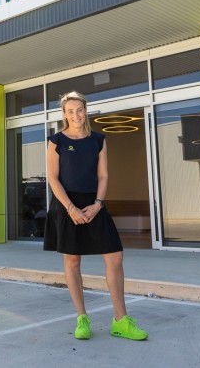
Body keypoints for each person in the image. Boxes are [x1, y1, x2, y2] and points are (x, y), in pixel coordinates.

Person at [44, 91, 148, 341]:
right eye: (70, 111)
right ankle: (82, 318)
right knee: (72, 261)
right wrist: (70, 208)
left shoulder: (98, 140)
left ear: (86, 111)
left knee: (115, 256)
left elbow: (103, 176)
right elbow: (53, 178)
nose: (75, 115)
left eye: (79, 110)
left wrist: (98, 204)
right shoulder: (56, 140)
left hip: (94, 204)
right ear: (64, 114)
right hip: (66, 205)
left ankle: (120, 321)